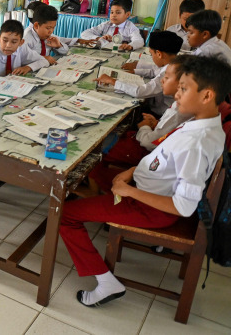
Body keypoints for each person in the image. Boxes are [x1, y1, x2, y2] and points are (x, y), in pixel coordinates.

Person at [60, 55, 231, 308]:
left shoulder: (197, 143)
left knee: (65, 215)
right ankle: (104, 202)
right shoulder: (202, 122)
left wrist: (128, 191)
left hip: (150, 208)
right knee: (89, 165)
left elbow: (183, 206)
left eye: (183, 89)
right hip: (143, 184)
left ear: (207, 95)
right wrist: (130, 171)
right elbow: (164, 158)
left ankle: (106, 282)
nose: (177, 94)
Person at [86, 56, 192, 196]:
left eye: (166, 78)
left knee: (96, 149)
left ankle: (103, 187)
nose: (162, 81)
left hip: (148, 151)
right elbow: (167, 130)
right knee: (114, 135)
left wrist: (145, 127)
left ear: (181, 83)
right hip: (156, 147)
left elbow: (150, 142)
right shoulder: (181, 103)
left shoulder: (181, 109)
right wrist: (156, 124)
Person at [95, 30, 183, 116]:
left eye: (151, 54)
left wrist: (112, 81)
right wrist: (136, 71)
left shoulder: (168, 74)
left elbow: (140, 92)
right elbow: (155, 71)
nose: (152, 57)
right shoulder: (174, 63)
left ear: (159, 54)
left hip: (160, 113)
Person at [123, 0, 205, 76]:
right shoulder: (171, 31)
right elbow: (161, 59)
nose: (189, 23)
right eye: (186, 19)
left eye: (193, 19)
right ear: (180, 15)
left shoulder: (203, 37)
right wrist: (140, 66)